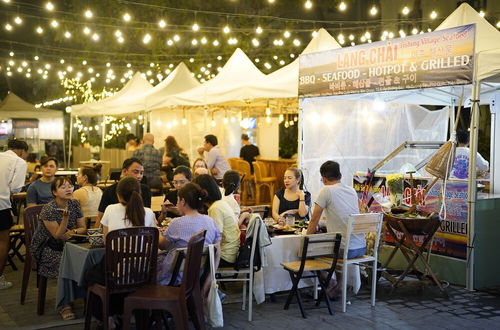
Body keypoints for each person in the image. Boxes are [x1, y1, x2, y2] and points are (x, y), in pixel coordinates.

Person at [87, 176, 158, 328]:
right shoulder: (149, 213)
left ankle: (109, 317)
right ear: (139, 194)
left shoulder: (110, 209)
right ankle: (125, 312)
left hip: (116, 269)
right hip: (142, 271)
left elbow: (107, 240)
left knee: (91, 275)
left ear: (118, 195)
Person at [30, 177, 86, 319]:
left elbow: (83, 228)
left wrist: (71, 233)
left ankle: (86, 297)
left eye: (70, 186)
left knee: (87, 259)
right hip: (47, 247)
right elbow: (57, 236)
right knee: (65, 263)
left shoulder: (74, 203)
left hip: (69, 244)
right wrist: (66, 220)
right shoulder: (49, 208)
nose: (68, 189)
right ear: (54, 192)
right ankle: (64, 304)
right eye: (63, 187)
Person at [157, 183, 222, 286]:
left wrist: (157, 232)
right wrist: (210, 279)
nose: (177, 204)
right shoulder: (210, 221)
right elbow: (217, 250)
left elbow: (163, 245)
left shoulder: (177, 223)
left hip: (176, 278)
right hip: (200, 276)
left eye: (178, 201)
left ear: (182, 201)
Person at [306, 161, 365, 257]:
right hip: (361, 248)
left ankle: (328, 272)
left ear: (324, 179)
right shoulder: (352, 190)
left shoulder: (326, 190)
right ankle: (334, 272)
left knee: (310, 250)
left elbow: (313, 220)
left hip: (343, 249)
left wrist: (305, 240)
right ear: (340, 176)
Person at [193, 174, 240, 267]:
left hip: (225, 256)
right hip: (229, 251)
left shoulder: (215, 208)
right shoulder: (220, 203)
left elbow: (216, 238)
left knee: (189, 261)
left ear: (204, 193)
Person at [0, 139, 28, 289]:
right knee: (3, 241)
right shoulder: (19, 162)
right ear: (22, 152)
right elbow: (16, 188)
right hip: (1, 205)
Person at [96, 158, 152, 227]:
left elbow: (145, 216)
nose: (139, 176)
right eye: (135, 172)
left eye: (141, 173)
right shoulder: (109, 190)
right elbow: (100, 216)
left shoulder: (145, 190)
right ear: (124, 171)